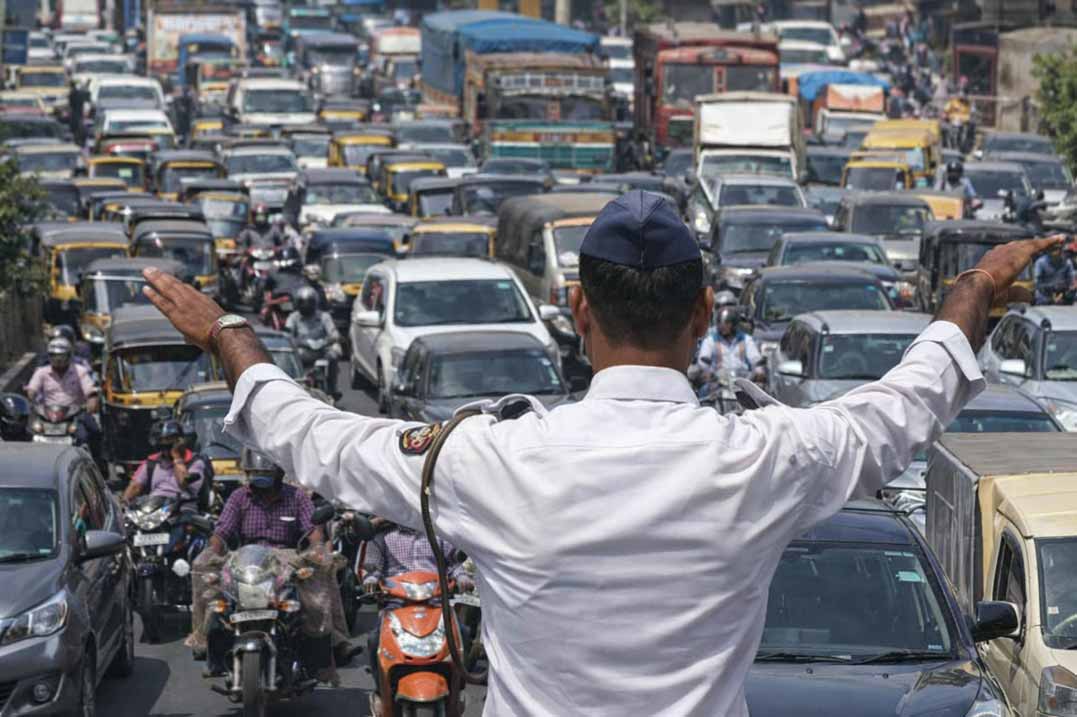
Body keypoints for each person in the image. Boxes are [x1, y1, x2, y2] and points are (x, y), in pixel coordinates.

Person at [141, 190, 1058, 716]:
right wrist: (972, 287)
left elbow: (313, 434)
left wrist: (227, 335)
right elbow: (906, 400)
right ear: (703, 318)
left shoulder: (486, 458)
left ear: (577, 314)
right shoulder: (768, 456)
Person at [189, 447, 350, 674]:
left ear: (279, 474)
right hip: (246, 557)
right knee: (203, 570)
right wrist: (211, 551)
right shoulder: (239, 497)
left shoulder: (297, 497)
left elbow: (313, 530)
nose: (259, 480)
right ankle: (204, 639)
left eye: (264, 474)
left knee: (322, 578)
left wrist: (317, 549)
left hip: (287, 556)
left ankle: (335, 640)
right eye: (254, 473)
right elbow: (223, 530)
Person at [362, 521, 473, 702]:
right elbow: (372, 568)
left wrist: (462, 577)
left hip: (436, 604)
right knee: (374, 640)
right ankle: (381, 692)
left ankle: (458, 687)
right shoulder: (382, 537)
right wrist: (371, 580)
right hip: (396, 605)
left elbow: (454, 563)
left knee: (464, 633)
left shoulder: (439, 534)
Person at [24, 338, 99, 447]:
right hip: (48, 416)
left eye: (61, 356)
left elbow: (90, 391)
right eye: (54, 356)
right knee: (28, 433)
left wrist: (92, 402)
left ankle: (98, 462)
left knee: (91, 433)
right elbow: (32, 389)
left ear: (69, 356)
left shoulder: (80, 371)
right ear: (49, 356)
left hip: (75, 414)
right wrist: (30, 395)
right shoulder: (41, 372)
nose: (58, 360)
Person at [689, 306, 764, 398]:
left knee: (761, 396)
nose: (722, 326)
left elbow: (755, 360)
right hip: (718, 382)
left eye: (727, 323)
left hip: (743, 382)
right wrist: (707, 372)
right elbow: (703, 361)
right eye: (720, 323)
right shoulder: (710, 340)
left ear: (734, 324)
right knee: (703, 394)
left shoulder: (746, 340)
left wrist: (759, 371)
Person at [285, 286, 343, 396]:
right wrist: (298, 342)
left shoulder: (324, 316)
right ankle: (292, 386)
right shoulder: (293, 317)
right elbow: (287, 335)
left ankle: (332, 387)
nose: (306, 306)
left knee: (335, 353)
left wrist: (328, 340)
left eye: (309, 302)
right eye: (303, 303)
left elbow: (334, 333)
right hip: (302, 351)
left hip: (322, 350)